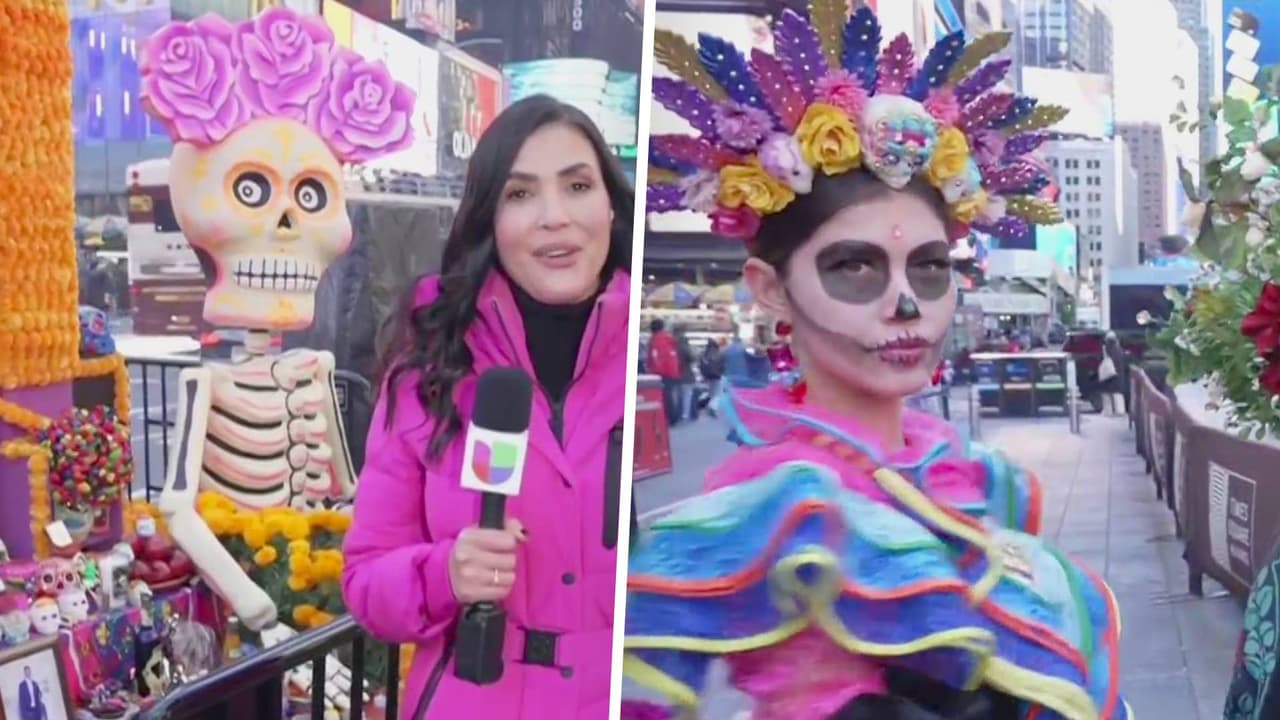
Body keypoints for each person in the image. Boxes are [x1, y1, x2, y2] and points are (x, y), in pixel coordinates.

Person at [625, 6, 1128, 720]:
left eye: (927, 268)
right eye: (855, 267)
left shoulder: (973, 476)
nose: (903, 304)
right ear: (772, 290)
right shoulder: (771, 516)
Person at [342, 95, 632, 720]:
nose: (554, 218)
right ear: (489, 221)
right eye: (520, 194)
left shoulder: (650, 367)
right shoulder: (428, 372)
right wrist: (445, 573)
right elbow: (366, 584)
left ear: (611, 203)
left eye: (577, 185)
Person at [646, 318, 681, 425]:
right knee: (669, 395)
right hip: (671, 371)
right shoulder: (668, 338)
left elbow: (656, 356)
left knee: (665, 397)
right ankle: (674, 416)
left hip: (662, 373)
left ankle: (671, 418)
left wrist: (654, 371)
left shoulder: (656, 339)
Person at [1101, 331, 1128, 416]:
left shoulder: (1107, 349)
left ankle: (1108, 411)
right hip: (1118, 373)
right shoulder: (1118, 349)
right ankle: (1120, 411)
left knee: (1107, 392)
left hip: (1109, 373)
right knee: (1117, 393)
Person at [674, 325, 697, 421]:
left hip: (674, 374)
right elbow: (692, 357)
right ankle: (685, 414)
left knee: (677, 395)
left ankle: (678, 414)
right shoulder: (684, 345)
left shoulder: (671, 343)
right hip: (686, 374)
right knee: (686, 395)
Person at [698, 339, 725, 417]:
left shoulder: (704, 354)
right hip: (717, 376)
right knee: (718, 393)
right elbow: (723, 366)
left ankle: (701, 403)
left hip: (707, 376)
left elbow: (700, 365)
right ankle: (712, 407)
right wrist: (722, 373)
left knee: (710, 391)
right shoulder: (719, 354)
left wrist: (703, 375)